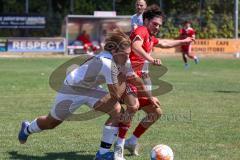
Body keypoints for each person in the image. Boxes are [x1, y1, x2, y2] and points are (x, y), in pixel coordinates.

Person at [18, 29, 132, 160]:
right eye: (125, 54)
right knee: (51, 123)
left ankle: (102, 154)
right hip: (72, 88)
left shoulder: (121, 60)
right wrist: (123, 75)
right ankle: (27, 128)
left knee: (117, 111)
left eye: (129, 54)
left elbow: (123, 88)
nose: (128, 58)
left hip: (91, 88)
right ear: (114, 51)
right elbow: (116, 95)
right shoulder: (107, 63)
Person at [114, 4, 195, 159]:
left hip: (137, 81)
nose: (157, 27)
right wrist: (151, 59)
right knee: (133, 106)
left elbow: (165, 43)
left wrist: (184, 41)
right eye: (154, 24)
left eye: (159, 25)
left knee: (156, 112)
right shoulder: (141, 30)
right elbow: (135, 46)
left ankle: (132, 140)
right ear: (146, 21)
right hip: (125, 77)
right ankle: (119, 147)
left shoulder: (150, 36)